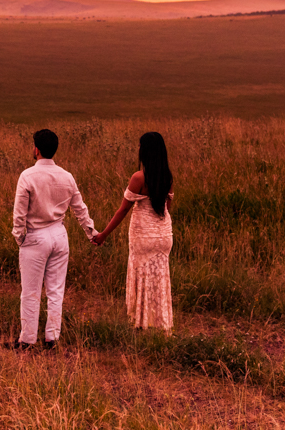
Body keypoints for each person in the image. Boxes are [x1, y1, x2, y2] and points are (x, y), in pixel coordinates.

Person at [10, 128, 98, 350]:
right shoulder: (66, 176)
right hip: (59, 235)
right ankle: (52, 338)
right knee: (56, 290)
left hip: (35, 236)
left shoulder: (27, 176)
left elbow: (19, 214)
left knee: (30, 292)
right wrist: (92, 233)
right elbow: (80, 209)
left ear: (36, 149)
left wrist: (20, 238)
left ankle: (27, 340)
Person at [91, 132, 174, 331]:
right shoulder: (167, 177)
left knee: (142, 275)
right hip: (164, 234)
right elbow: (167, 207)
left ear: (146, 151)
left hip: (143, 235)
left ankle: (141, 322)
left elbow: (123, 210)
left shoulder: (139, 178)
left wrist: (103, 234)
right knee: (159, 277)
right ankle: (160, 322)